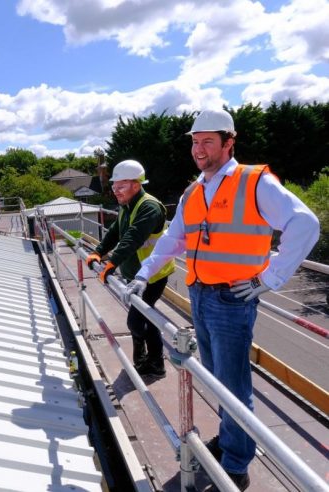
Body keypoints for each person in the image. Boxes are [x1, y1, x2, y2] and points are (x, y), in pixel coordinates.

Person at [124, 108, 319, 491]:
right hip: (201, 294)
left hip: (232, 300)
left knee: (233, 386)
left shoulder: (253, 182)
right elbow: (173, 238)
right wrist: (143, 274)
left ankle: (236, 466)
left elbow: (305, 223)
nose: (199, 149)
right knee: (215, 380)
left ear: (229, 143)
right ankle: (231, 441)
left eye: (207, 141)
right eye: (195, 142)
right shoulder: (194, 191)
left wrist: (270, 277)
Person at [86, 159, 175, 378]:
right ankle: (149, 362)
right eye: (114, 186)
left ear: (136, 184)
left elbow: (133, 238)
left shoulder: (149, 207)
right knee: (146, 318)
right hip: (135, 274)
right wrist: (99, 251)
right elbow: (116, 231)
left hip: (152, 275)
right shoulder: (127, 205)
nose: (116, 191)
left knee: (136, 320)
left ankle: (152, 362)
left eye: (121, 186)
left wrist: (111, 263)